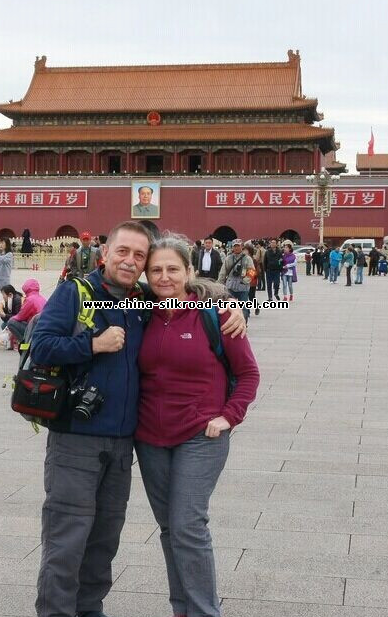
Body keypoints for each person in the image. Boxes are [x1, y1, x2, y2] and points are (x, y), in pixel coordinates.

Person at [29, 221, 245, 617]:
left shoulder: (138, 300)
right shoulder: (77, 293)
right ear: (105, 253)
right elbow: (40, 346)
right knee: (68, 536)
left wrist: (232, 307)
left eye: (139, 256)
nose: (131, 261)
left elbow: (186, 295)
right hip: (77, 437)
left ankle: (89, 609)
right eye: (123, 252)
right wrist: (93, 343)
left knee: (104, 538)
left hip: (123, 440)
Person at [136, 235, 259, 617]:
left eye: (173, 268)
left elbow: (249, 373)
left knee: (188, 524)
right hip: (150, 438)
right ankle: (182, 609)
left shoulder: (216, 314)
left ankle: (205, 612)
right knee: (171, 529)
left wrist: (229, 416)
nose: (164, 277)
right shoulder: (138, 312)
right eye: (156, 270)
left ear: (189, 271)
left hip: (201, 435)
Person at [218, 238, 255, 320]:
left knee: (244, 308)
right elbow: (223, 272)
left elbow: (252, 271)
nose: (236, 248)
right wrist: (220, 284)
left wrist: (246, 280)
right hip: (230, 287)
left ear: (242, 246)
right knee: (229, 308)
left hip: (243, 287)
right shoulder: (228, 258)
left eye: (238, 246)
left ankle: (244, 323)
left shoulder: (247, 258)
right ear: (232, 247)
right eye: (235, 246)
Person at [4, 279, 46, 344]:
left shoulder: (30, 299)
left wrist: (7, 317)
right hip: (43, 327)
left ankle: (24, 343)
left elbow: (20, 316)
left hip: (35, 328)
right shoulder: (42, 298)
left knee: (11, 322)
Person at [243, 243, 260, 316]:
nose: (244, 251)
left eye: (245, 250)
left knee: (251, 296)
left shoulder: (253, 260)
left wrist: (249, 277)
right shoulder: (242, 258)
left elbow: (255, 271)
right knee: (245, 296)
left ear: (249, 251)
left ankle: (257, 306)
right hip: (244, 280)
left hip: (252, 280)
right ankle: (247, 311)